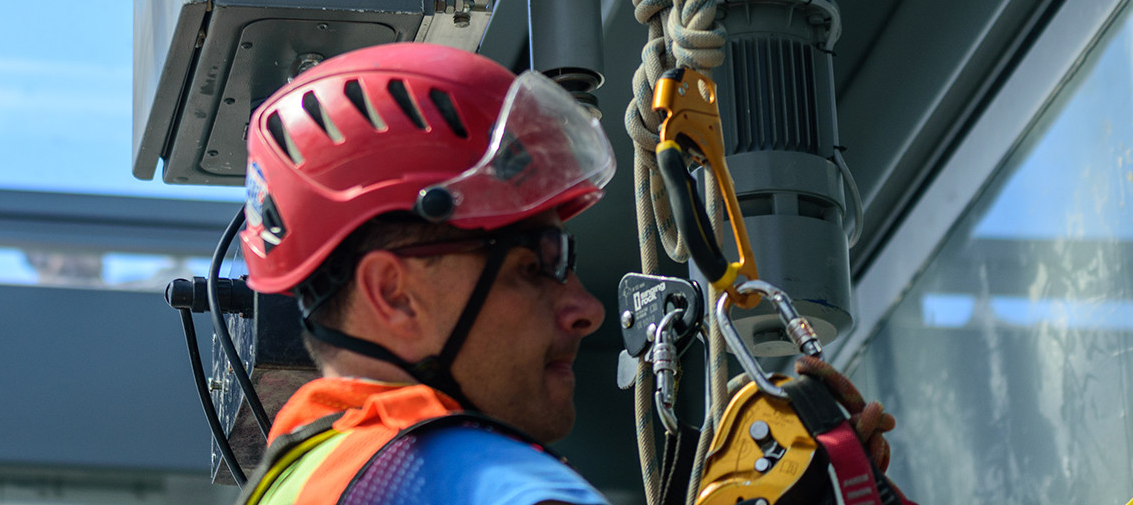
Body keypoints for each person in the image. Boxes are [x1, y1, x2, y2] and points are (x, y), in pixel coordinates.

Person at [234, 42, 895, 505]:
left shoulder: (299, 483)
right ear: (394, 294)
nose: (586, 309)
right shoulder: (459, 476)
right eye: (534, 266)